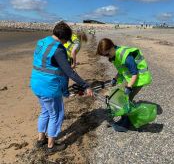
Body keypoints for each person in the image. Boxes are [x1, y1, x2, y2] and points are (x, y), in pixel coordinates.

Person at [30, 21, 93, 154]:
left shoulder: (41, 41)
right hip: (49, 88)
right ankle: (51, 146)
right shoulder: (59, 49)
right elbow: (69, 72)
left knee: (45, 111)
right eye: (66, 41)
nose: (65, 43)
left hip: (36, 83)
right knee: (56, 114)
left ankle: (41, 139)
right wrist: (86, 85)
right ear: (64, 38)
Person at [96, 38, 152, 130]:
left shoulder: (125, 56)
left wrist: (129, 87)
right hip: (130, 79)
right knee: (121, 98)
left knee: (127, 100)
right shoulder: (115, 55)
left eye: (107, 54)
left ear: (111, 48)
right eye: (105, 55)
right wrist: (115, 78)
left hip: (138, 79)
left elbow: (135, 73)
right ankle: (124, 119)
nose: (107, 57)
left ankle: (127, 123)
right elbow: (122, 70)